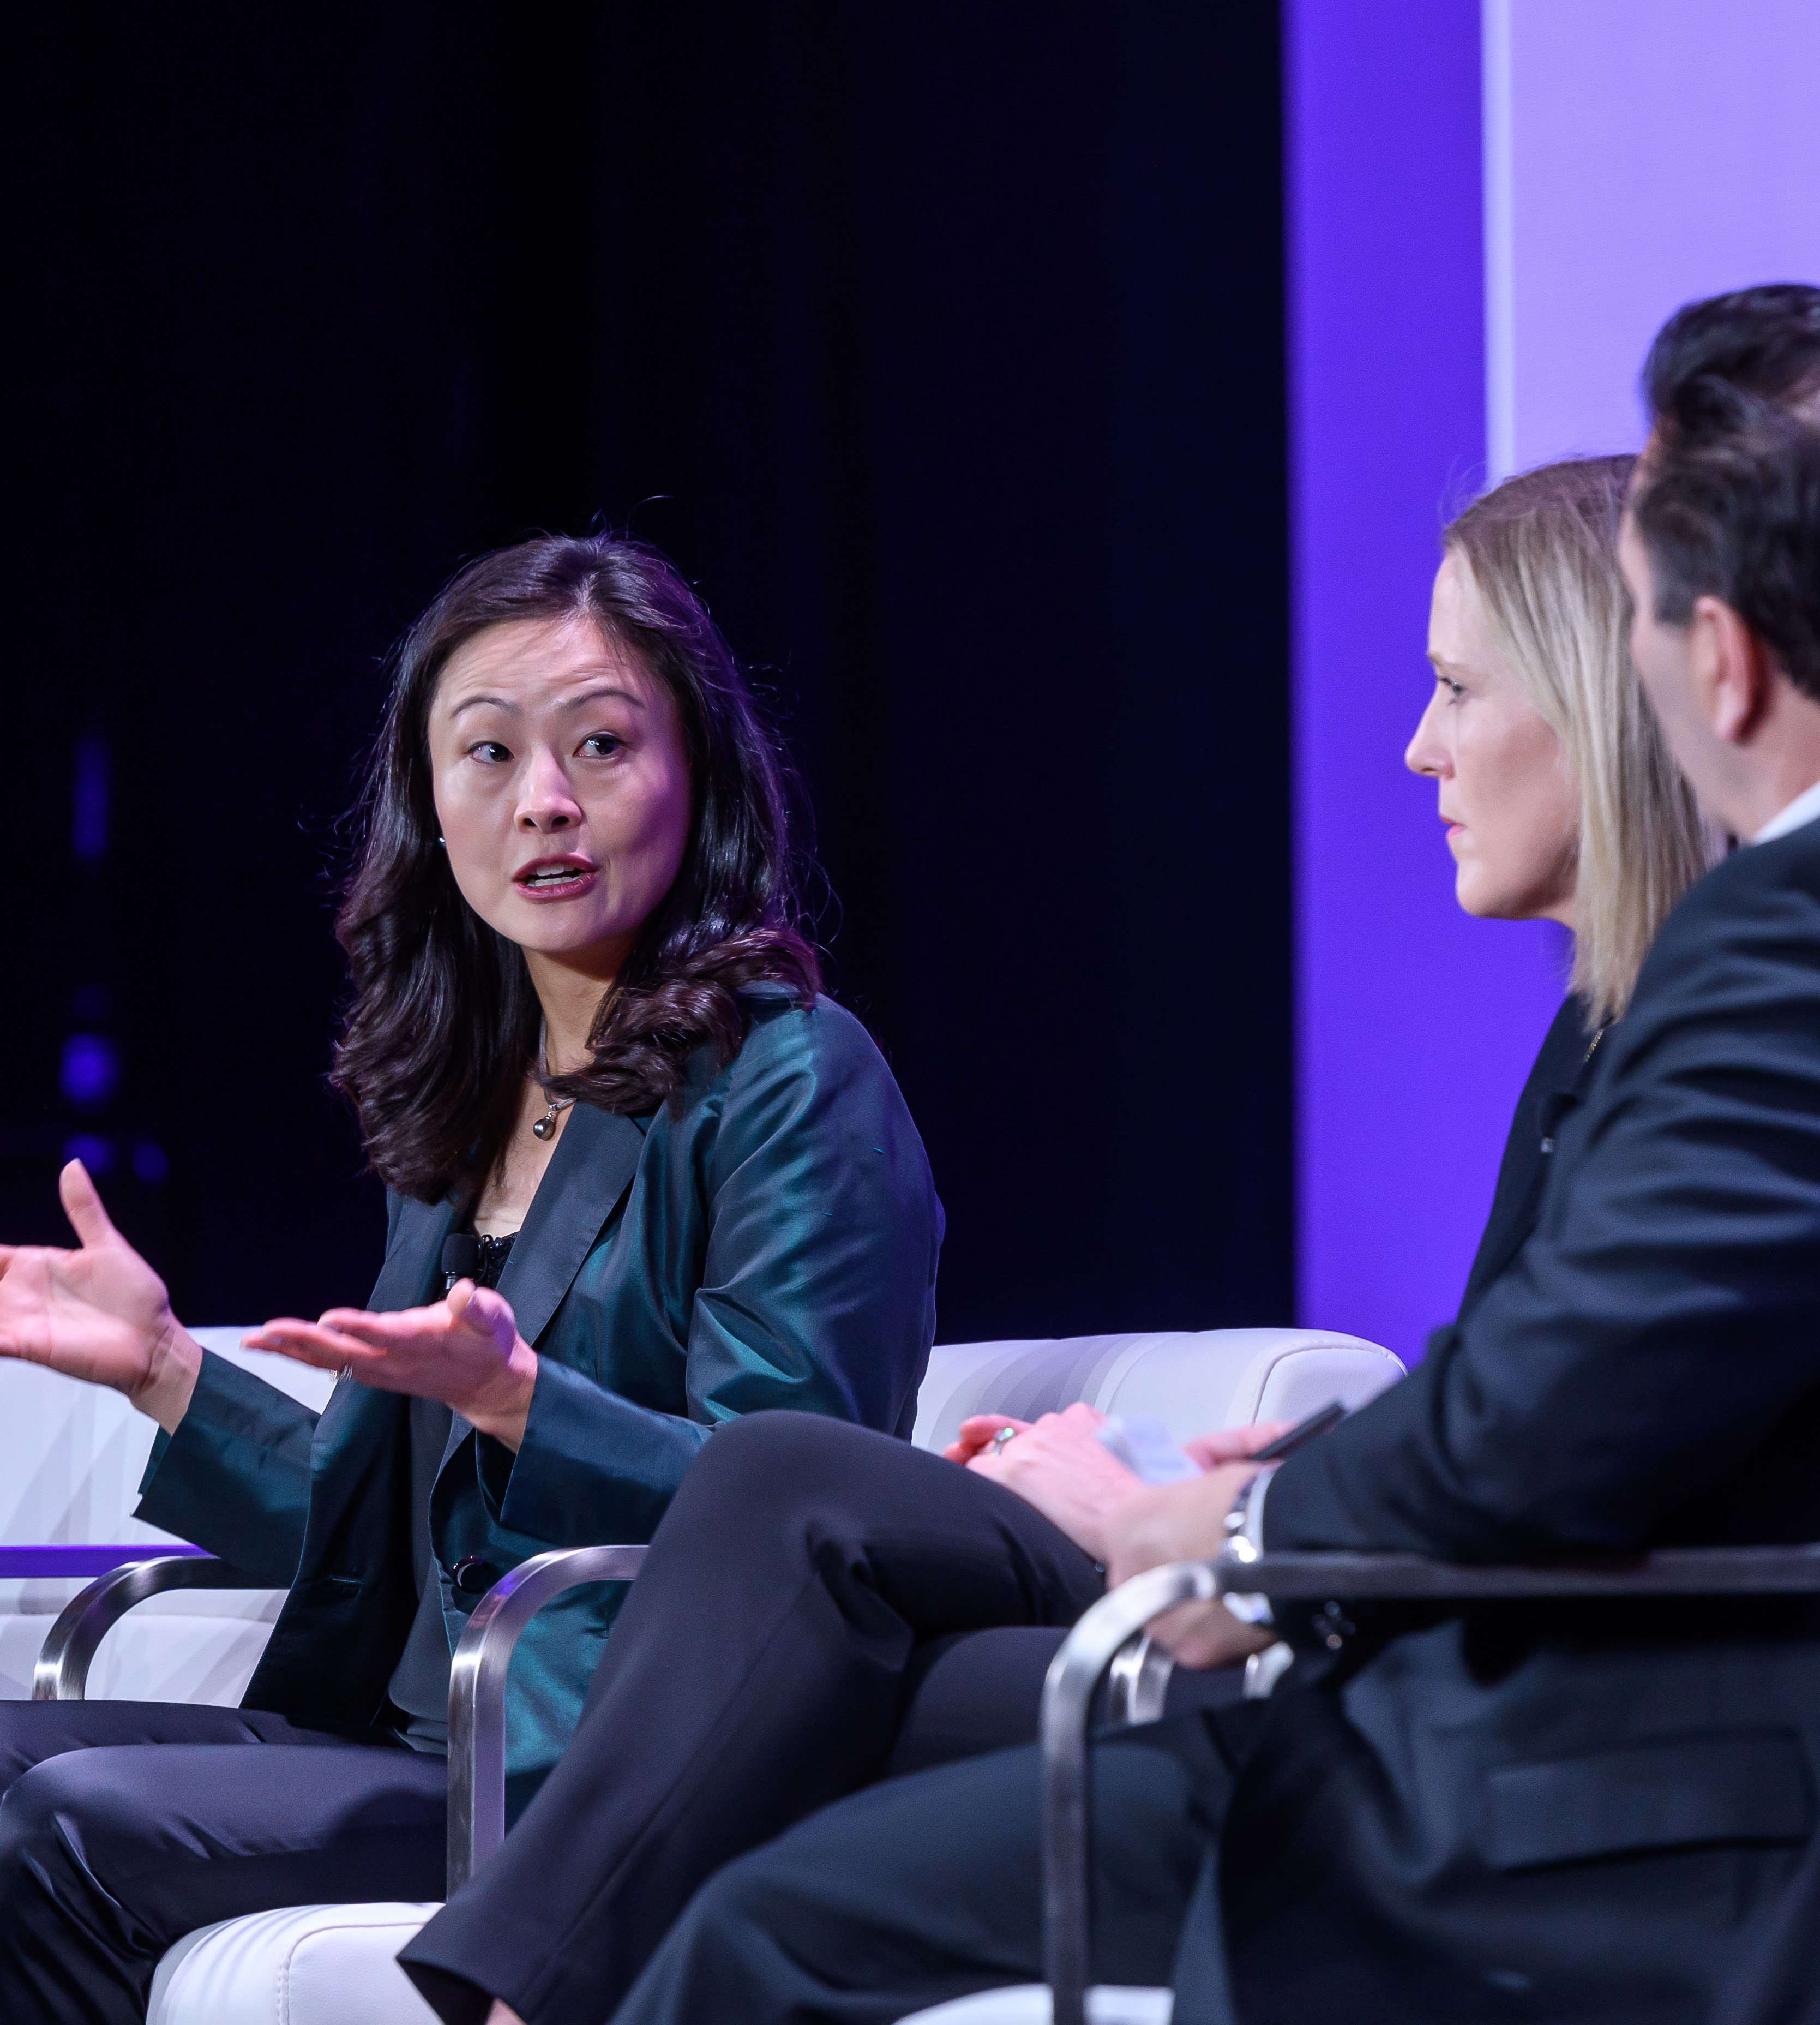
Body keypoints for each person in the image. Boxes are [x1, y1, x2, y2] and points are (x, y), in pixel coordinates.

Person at [556, 285, 1820, 2025]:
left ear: (1723, 655)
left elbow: (1572, 1408)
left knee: (772, 1931)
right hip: (1688, 1719)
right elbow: (1702, 1363)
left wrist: (1249, 1540)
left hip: (1650, 1799)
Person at [394, 453, 1717, 2025]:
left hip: (1502, 1733)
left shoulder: (1722, 1034)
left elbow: (1590, 1448)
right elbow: (1535, 1402)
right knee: (839, 1706)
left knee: (788, 1509)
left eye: (1454, 690)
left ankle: (510, 2001)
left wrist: (1198, 1524)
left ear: (1596, 702)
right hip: (1391, 1641)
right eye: (486, 756)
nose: (1418, 747)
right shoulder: (1602, 1030)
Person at [0, 534, 942, 2024]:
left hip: (584, 1774)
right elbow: (382, 1532)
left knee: (59, 1838)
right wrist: (164, 1371)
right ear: (430, 807)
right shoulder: (473, 1096)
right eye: (488, 753)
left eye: (602, 745)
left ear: (697, 773)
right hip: (417, 1731)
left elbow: (799, 1517)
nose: (544, 801)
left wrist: (522, 1402)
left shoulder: (787, 1078)